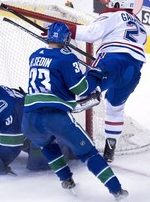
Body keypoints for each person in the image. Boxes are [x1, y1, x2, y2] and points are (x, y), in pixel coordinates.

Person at [21, 21, 128, 200]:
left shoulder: (34, 55)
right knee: (88, 153)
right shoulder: (67, 56)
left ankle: (67, 180)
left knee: (46, 145)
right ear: (66, 38)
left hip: (29, 119)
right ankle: (117, 190)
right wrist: (95, 73)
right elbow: (81, 89)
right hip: (55, 117)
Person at [68, 0, 147, 162]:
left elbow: (91, 33)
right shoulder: (140, 26)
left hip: (113, 61)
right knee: (115, 107)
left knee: (86, 82)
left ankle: (90, 95)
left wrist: (67, 29)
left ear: (118, 4)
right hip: (133, 72)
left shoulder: (115, 15)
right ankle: (109, 150)